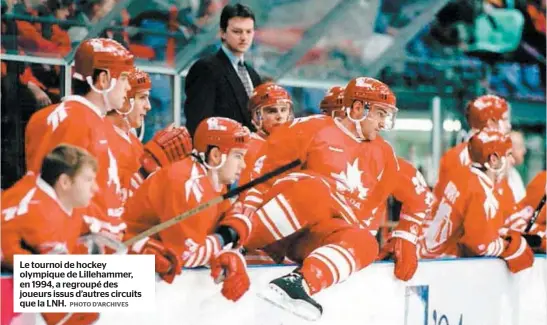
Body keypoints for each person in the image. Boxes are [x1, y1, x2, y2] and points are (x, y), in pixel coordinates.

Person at [217, 77, 401, 320]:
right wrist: (233, 233)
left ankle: (299, 284)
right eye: (379, 113)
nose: (383, 123)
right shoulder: (308, 129)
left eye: (387, 115)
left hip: (313, 236)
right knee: (314, 190)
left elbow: (381, 209)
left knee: (366, 242)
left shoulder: (385, 153)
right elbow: (260, 184)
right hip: (275, 225)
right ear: (357, 108)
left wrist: (405, 235)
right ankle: (232, 245)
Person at [122, 117, 251, 289]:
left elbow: (221, 226)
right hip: (121, 276)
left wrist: (231, 249)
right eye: (238, 156)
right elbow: (187, 257)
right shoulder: (186, 182)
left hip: (147, 275)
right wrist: (228, 235)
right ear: (216, 155)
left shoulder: (213, 182)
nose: (243, 165)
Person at [1, 144, 100, 325]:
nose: (96, 188)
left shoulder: (62, 202)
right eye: (88, 180)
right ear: (65, 182)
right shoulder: (40, 215)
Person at [420, 129, 534, 274]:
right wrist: (510, 247)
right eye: (508, 155)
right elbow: (479, 245)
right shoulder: (477, 190)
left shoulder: (464, 177)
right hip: (438, 266)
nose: (512, 161)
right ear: (493, 160)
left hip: (428, 256)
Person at [105, 68, 193, 204]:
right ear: (124, 98)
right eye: (142, 98)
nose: (148, 106)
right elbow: (115, 203)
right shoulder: (102, 140)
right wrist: (150, 165)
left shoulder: (132, 140)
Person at [184, 3, 261, 136]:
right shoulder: (205, 68)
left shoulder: (253, 75)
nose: (244, 37)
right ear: (222, 33)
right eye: (237, 31)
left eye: (249, 31)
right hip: (220, 152)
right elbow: (198, 123)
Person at [507, 130, 527, 202]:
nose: (524, 150)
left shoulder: (514, 173)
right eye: (521, 146)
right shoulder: (501, 174)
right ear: (510, 148)